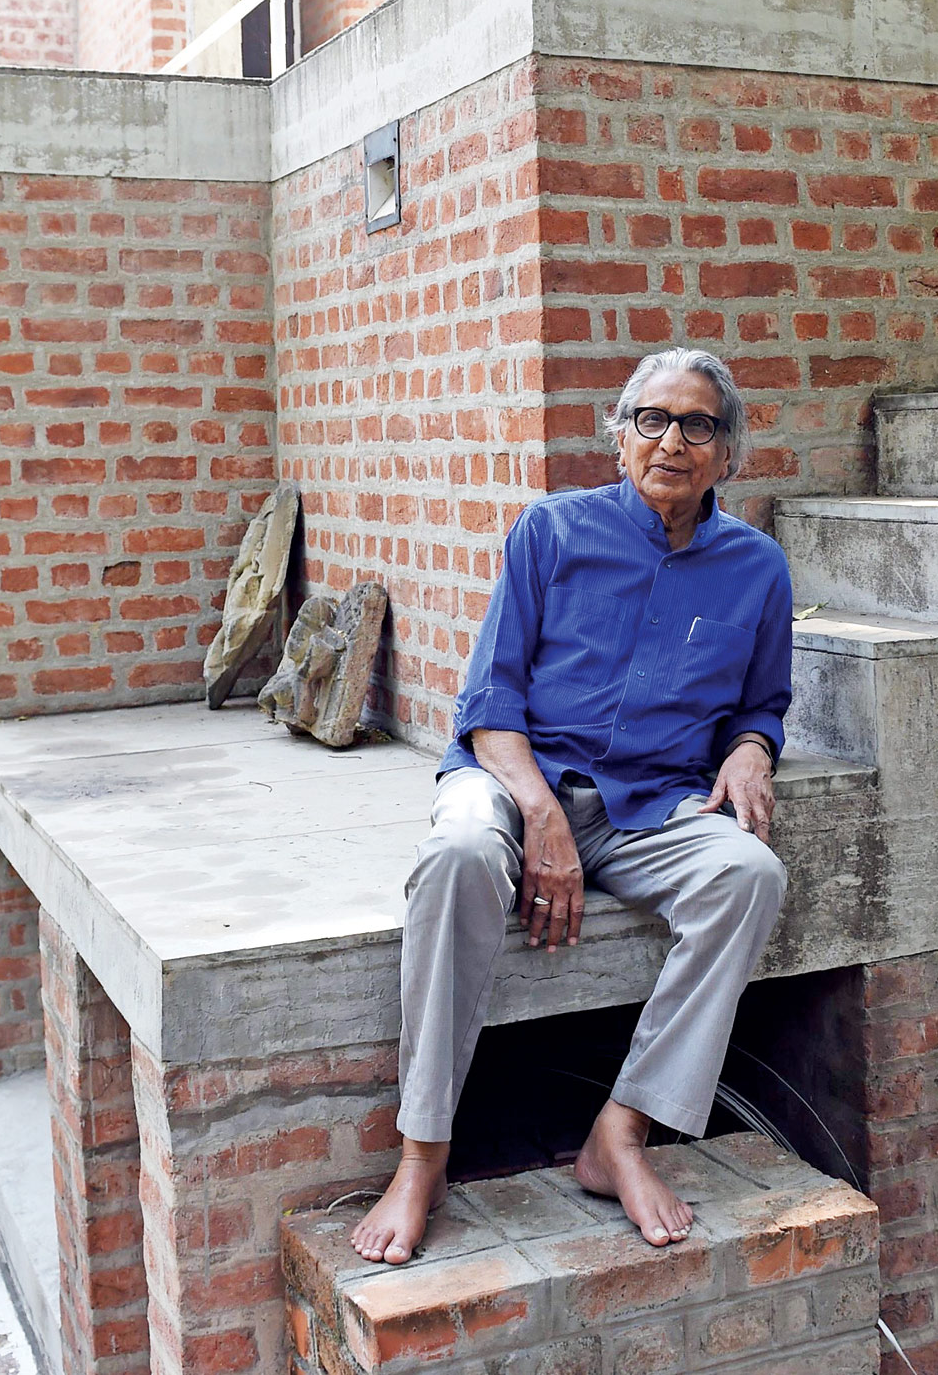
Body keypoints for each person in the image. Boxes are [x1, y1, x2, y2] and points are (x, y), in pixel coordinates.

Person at [350, 346, 793, 1264]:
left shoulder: (757, 568)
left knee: (749, 874)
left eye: (698, 425)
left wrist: (753, 749)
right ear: (618, 436)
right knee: (458, 855)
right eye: (652, 420)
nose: (672, 442)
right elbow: (489, 706)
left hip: (649, 805)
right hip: (514, 779)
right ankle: (422, 1154)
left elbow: (761, 705)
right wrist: (542, 816)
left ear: (727, 452)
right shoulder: (550, 532)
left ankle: (620, 1133)